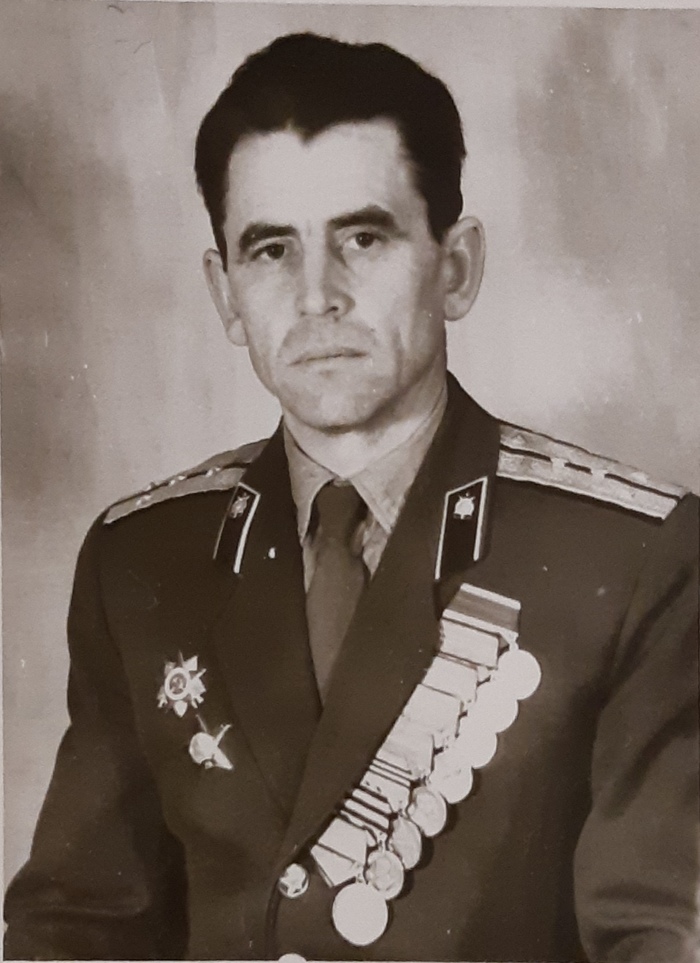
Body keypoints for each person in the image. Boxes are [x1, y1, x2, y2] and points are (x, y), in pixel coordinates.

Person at [4, 32, 698, 963]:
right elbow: (78, 926)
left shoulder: (633, 558)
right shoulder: (142, 561)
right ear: (224, 293)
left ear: (456, 267)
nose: (316, 296)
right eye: (270, 250)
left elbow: (659, 936)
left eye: (362, 239)